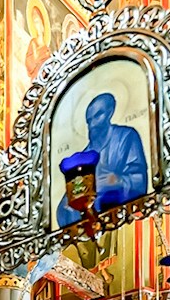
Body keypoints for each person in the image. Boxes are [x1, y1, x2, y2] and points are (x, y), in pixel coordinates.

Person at [54, 92, 150, 228]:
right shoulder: (84, 158)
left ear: (110, 112)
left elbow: (139, 180)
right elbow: (66, 207)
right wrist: (68, 206)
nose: (92, 124)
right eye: (89, 120)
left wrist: (115, 181)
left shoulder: (126, 137)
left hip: (127, 225)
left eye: (98, 116)